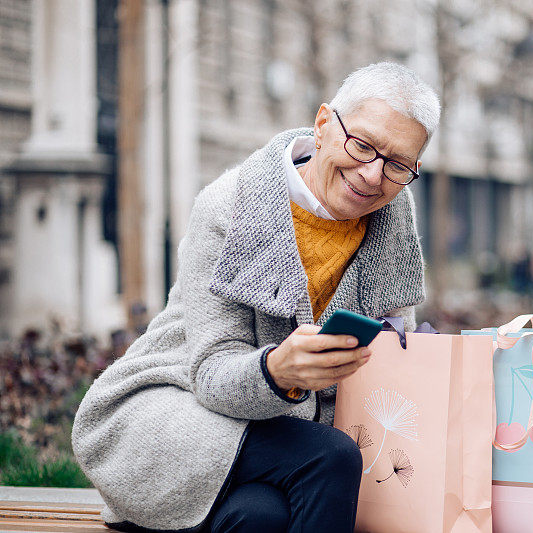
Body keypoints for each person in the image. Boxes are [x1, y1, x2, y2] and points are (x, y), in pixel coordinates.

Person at [72, 62, 440, 533]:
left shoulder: (393, 220)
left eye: (396, 164)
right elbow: (210, 374)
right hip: (178, 409)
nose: (372, 175)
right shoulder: (230, 206)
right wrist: (277, 371)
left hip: (282, 441)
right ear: (324, 124)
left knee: (260, 517)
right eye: (363, 145)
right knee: (330, 457)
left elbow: (390, 351)